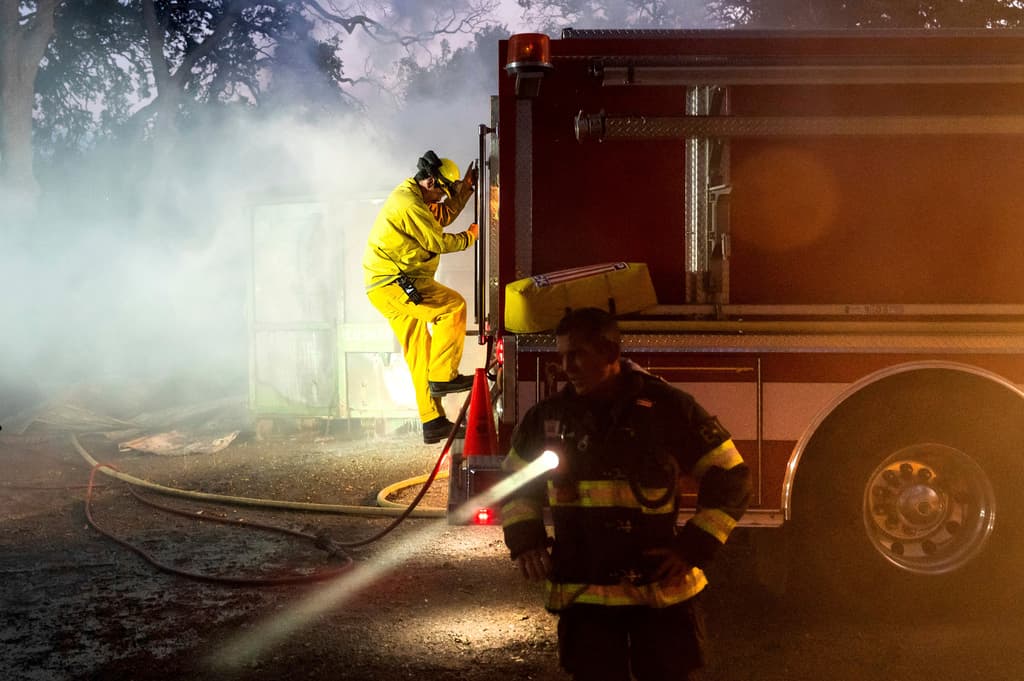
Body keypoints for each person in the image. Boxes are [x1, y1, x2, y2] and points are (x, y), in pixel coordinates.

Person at [500, 307, 752, 681]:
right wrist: (526, 541)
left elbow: (730, 474)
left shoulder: (668, 408)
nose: (567, 367)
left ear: (611, 353)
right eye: (562, 355)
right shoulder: (548, 419)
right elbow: (517, 482)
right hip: (584, 593)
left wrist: (693, 546)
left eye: (578, 355)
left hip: (659, 592)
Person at [362, 150, 480, 444]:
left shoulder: (419, 198)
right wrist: (473, 235)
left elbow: (442, 216)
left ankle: (432, 421)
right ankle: (443, 376)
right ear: (430, 182)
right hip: (395, 282)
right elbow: (437, 240)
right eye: (442, 191)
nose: (442, 198)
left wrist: (463, 189)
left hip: (387, 284)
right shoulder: (409, 203)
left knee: (419, 353)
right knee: (452, 308)